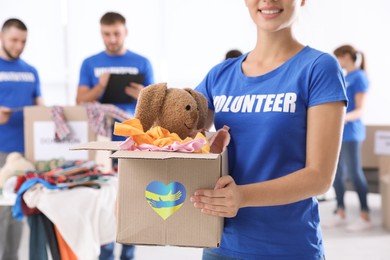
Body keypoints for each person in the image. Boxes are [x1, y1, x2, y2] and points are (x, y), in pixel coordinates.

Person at [190, 0, 347, 259]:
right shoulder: (219, 75)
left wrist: (242, 196)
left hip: (289, 249)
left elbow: (320, 177)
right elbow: (177, 140)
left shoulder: (319, 68)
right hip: (220, 246)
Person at [76, 12, 154, 260]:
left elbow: (155, 106)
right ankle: (106, 252)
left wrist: (141, 94)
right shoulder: (90, 63)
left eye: (116, 33)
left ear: (125, 32)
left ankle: (128, 253)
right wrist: (101, 86)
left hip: (134, 142)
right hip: (101, 144)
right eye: (106, 34)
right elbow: (79, 101)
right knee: (104, 200)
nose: (111, 39)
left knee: (133, 199)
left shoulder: (142, 62)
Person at [0, 18, 43, 260]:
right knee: (4, 214)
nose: (19, 46)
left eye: (23, 41)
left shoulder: (31, 71)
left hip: (27, 152)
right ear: (1, 37)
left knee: (15, 213)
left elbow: (40, 107)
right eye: (14, 40)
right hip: (1, 150)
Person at [324, 44, 371, 231]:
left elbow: (359, 110)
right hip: (339, 133)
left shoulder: (359, 77)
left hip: (352, 132)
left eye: (338, 58)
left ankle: (365, 215)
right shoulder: (345, 76)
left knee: (354, 173)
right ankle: (340, 212)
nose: (337, 61)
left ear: (346, 56)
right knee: (337, 174)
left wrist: (342, 118)